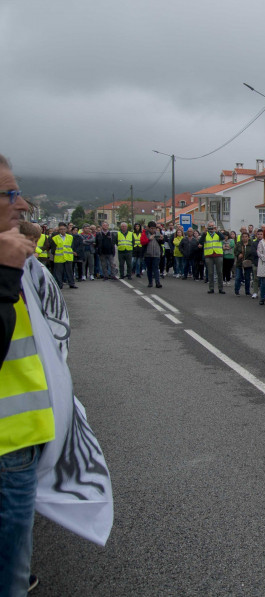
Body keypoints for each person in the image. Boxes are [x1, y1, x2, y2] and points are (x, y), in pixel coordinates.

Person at [0, 154, 58, 595]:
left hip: (22, 438)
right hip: (7, 446)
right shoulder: (7, 267)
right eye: (9, 194)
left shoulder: (16, 260)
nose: (22, 205)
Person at [198, 220, 226, 294]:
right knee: (210, 273)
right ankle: (211, 288)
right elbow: (200, 242)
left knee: (219, 272)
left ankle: (220, 288)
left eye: (212, 226)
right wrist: (204, 233)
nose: (211, 228)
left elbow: (223, 238)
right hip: (209, 255)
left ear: (215, 226)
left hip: (218, 254)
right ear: (207, 227)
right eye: (209, 226)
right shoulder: (205, 234)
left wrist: (217, 231)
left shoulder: (218, 233)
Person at [49, 222, 77, 289]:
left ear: (66, 230)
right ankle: (59, 284)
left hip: (68, 257)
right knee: (58, 272)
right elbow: (53, 248)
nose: (62, 230)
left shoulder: (70, 237)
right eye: (61, 229)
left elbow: (72, 246)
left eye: (64, 229)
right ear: (59, 230)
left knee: (69, 272)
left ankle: (71, 284)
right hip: (59, 257)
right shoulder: (55, 238)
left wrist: (73, 252)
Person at [140, 221, 163, 289]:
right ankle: (150, 282)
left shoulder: (158, 233)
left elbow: (161, 242)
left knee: (156, 268)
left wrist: (161, 239)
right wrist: (149, 239)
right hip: (148, 254)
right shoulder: (145, 233)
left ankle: (157, 282)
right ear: (148, 228)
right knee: (149, 269)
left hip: (156, 254)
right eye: (151, 228)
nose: (153, 230)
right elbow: (142, 242)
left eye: (154, 228)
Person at [234, 232, 254, 296]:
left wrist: (250, 259)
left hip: (248, 264)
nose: (244, 238)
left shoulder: (251, 244)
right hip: (239, 263)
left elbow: (253, 253)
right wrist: (238, 254)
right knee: (238, 277)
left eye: (246, 236)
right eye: (243, 237)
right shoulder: (239, 244)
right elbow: (235, 251)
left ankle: (247, 291)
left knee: (247, 278)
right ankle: (236, 291)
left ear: (248, 237)